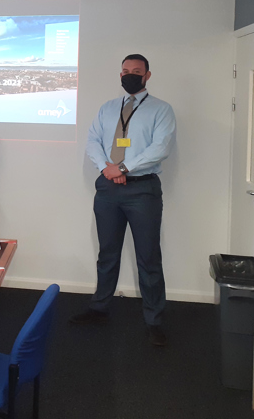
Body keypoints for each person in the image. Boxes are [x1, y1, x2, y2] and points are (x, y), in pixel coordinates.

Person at [75, 54, 176, 346]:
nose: (129, 75)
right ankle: (99, 308)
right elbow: (93, 141)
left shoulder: (161, 109)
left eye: (136, 71)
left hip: (142, 191)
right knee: (107, 253)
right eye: (125, 71)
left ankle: (154, 321)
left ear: (147, 75)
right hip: (108, 189)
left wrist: (122, 167)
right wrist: (109, 169)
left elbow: (161, 148)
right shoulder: (108, 108)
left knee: (148, 257)